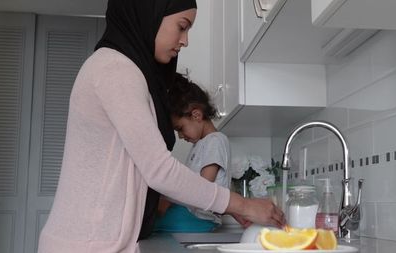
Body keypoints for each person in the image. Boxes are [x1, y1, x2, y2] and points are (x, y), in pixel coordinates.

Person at [38, 0, 285, 252]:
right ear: (150, 13)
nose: (185, 40)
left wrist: (226, 206)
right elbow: (159, 171)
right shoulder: (115, 69)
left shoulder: (121, 69)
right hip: (87, 244)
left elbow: (153, 175)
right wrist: (241, 204)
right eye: (182, 26)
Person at [155, 73, 231, 232]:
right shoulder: (202, 143)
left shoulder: (216, 140)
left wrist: (168, 200)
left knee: (149, 223)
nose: (180, 136)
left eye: (180, 129)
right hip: (193, 215)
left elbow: (205, 185)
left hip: (201, 218)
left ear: (196, 115)